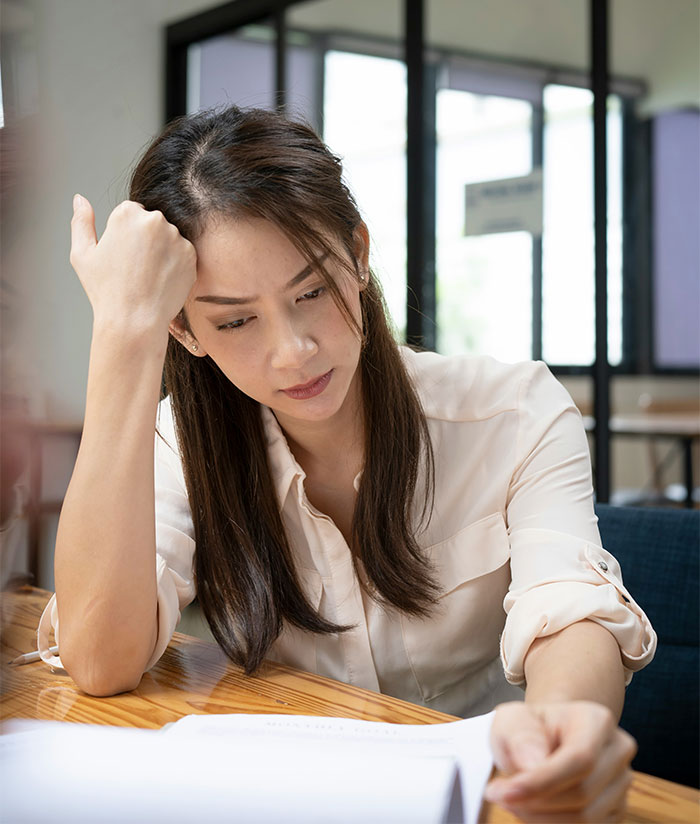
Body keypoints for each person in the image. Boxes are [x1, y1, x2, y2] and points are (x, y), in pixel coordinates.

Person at [40, 105, 655, 822]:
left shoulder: (514, 412)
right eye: (235, 320)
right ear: (185, 327)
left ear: (358, 255)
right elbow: (100, 660)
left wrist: (561, 733)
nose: (293, 349)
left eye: (311, 291)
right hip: (292, 798)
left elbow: (568, 609)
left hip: (489, 798)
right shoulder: (184, 441)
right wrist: (123, 332)